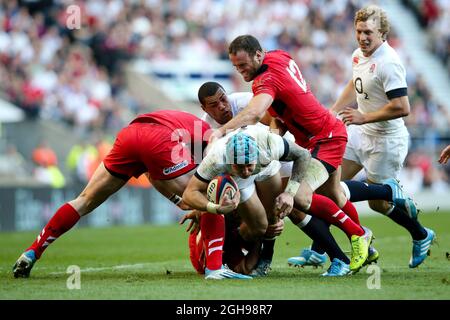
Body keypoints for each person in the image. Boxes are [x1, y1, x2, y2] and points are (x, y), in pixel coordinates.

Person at [12, 110, 249, 280]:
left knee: (84, 200)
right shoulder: (208, 134)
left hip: (130, 134)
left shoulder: (187, 129)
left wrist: (182, 202)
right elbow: (202, 178)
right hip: (160, 138)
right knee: (213, 192)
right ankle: (214, 270)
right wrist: (198, 203)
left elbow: (155, 176)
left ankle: (34, 250)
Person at [210, 35, 372, 272]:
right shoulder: (278, 56)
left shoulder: (265, 80)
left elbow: (255, 112)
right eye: (235, 66)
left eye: (243, 65)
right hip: (321, 133)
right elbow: (283, 108)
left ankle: (360, 236)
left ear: (258, 55)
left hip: (325, 140)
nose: (240, 71)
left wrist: (221, 130)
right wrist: (280, 124)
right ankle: (365, 247)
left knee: (298, 197)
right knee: (335, 195)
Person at [198, 81, 354, 276]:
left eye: (223, 99)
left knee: (296, 205)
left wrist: (272, 143)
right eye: (214, 105)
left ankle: (340, 256)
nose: (222, 106)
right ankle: (262, 256)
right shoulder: (204, 129)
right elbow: (207, 168)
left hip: (276, 154)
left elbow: (277, 119)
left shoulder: (244, 101)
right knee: (268, 214)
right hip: (247, 170)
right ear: (204, 108)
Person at [321, 5, 434, 269]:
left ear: (382, 33)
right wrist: (335, 109)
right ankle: (319, 249)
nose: (362, 37)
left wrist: (363, 117)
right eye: (359, 31)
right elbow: (355, 82)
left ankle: (420, 233)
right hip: (361, 133)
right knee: (329, 183)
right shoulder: (359, 54)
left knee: (378, 205)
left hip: (386, 140)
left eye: (368, 32)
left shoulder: (389, 62)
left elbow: (402, 107)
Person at [183, 125, 372, 274]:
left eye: (249, 165)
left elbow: (303, 155)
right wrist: (213, 207)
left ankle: (354, 234)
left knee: (290, 204)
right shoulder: (217, 158)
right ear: (229, 162)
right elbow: (189, 193)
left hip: (267, 167)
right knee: (261, 227)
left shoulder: (268, 145)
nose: (247, 171)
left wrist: (289, 192)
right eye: (240, 167)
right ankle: (268, 254)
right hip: (238, 184)